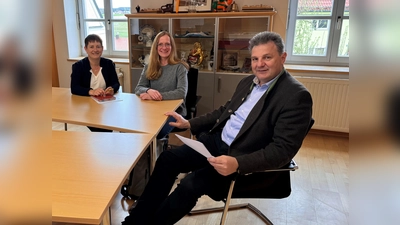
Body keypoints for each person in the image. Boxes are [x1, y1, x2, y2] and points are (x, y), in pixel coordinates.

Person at [122, 31, 313, 225]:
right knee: (168, 159)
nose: (259, 64)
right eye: (255, 58)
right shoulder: (249, 81)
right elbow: (224, 111)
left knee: (189, 184)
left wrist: (238, 163)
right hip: (215, 142)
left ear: (282, 57)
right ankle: (135, 221)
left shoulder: (296, 96)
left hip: (239, 156)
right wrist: (189, 123)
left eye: (267, 57)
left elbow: (282, 151)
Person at [135, 31, 189, 139]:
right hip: (152, 110)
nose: (164, 48)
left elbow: (181, 93)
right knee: (136, 128)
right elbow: (138, 88)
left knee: (157, 133)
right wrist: (148, 91)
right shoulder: (149, 66)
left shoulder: (180, 67)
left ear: (172, 47)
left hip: (174, 111)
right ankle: (148, 154)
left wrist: (155, 97)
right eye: (160, 44)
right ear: (156, 47)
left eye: (167, 44)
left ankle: (158, 152)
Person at [70, 34, 120, 132]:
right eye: (91, 47)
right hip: (86, 106)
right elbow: (74, 88)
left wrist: (112, 89)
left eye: (98, 47)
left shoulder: (109, 64)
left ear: (102, 48)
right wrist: (91, 92)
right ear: (86, 49)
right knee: (102, 128)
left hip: (106, 105)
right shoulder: (78, 66)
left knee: (108, 124)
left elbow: (116, 83)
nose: (95, 50)